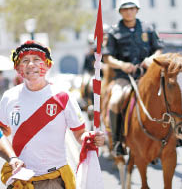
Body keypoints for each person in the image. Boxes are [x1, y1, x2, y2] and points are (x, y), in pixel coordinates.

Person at [0, 40, 105, 189]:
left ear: (48, 65)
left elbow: (79, 133)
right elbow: (2, 132)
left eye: (37, 59)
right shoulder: (9, 97)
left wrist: (91, 139)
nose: (31, 65)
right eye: (25, 61)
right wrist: (11, 158)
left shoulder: (62, 97)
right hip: (19, 180)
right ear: (18, 68)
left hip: (53, 181)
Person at [103, 0, 164, 156]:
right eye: (125, 9)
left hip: (147, 76)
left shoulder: (148, 28)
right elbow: (107, 57)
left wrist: (151, 59)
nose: (128, 12)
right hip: (124, 78)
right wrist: (122, 65)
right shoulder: (113, 31)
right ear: (120, 12)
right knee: (115, 101)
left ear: (137, 9)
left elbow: (158, 48)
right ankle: (117, 143)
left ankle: (171, 137)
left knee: (166, 96)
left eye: (131, 8)